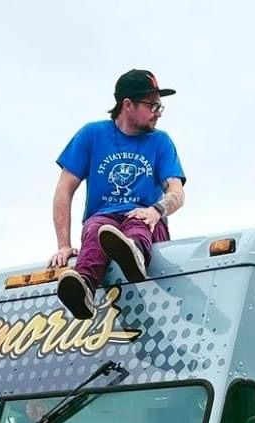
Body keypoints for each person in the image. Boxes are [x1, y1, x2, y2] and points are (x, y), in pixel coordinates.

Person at [48, 69, 186, 320]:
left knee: (138, 220)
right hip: (106, 224)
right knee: (97, 228)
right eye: (152, 105)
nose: (157, 112)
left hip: (148, 220)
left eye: (159, 106)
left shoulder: (161, 142)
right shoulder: (92, 135)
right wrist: (64, 245)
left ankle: (134, 253)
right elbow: (63, 190)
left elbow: (176, 191)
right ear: (128, 104)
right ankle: (82, 289)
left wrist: (156, 210)